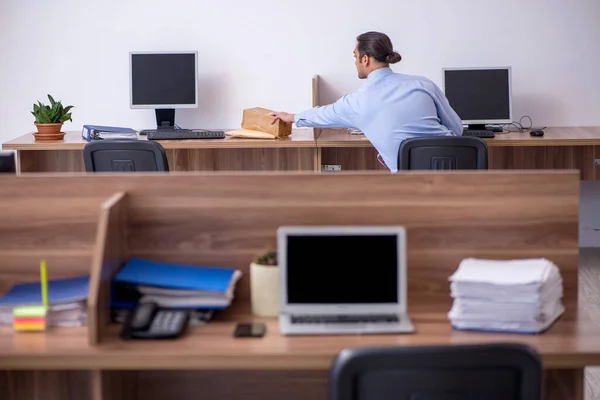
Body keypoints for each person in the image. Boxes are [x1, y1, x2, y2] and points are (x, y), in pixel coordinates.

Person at [270, 31, 463, 172]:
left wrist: (292, 117)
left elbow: (324, 114)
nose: (354, 62)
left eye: (355, 57)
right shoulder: (423, 84)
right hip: (460, 171)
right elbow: (457, 129)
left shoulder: (358, 102)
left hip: (410, 186)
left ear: (365, 59)